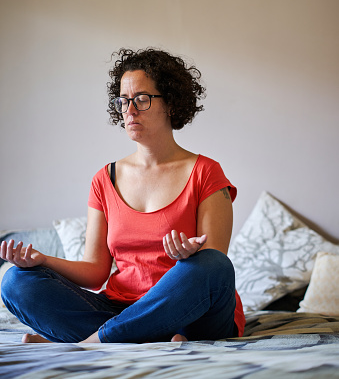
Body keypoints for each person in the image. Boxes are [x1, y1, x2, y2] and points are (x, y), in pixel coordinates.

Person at [1, 47, 245, 344]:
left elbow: (213, 263)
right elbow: (94, 272)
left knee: (213, 266)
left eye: (142, 99)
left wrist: (189, 256)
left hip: (190, 313)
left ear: (171, 103)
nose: (129, 110)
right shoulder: (104, 179)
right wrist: (43, 260)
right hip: (118, 308)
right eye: (124, 100)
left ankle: (88, 342)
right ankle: (131, 335)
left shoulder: (206, 172)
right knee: (15, 282)